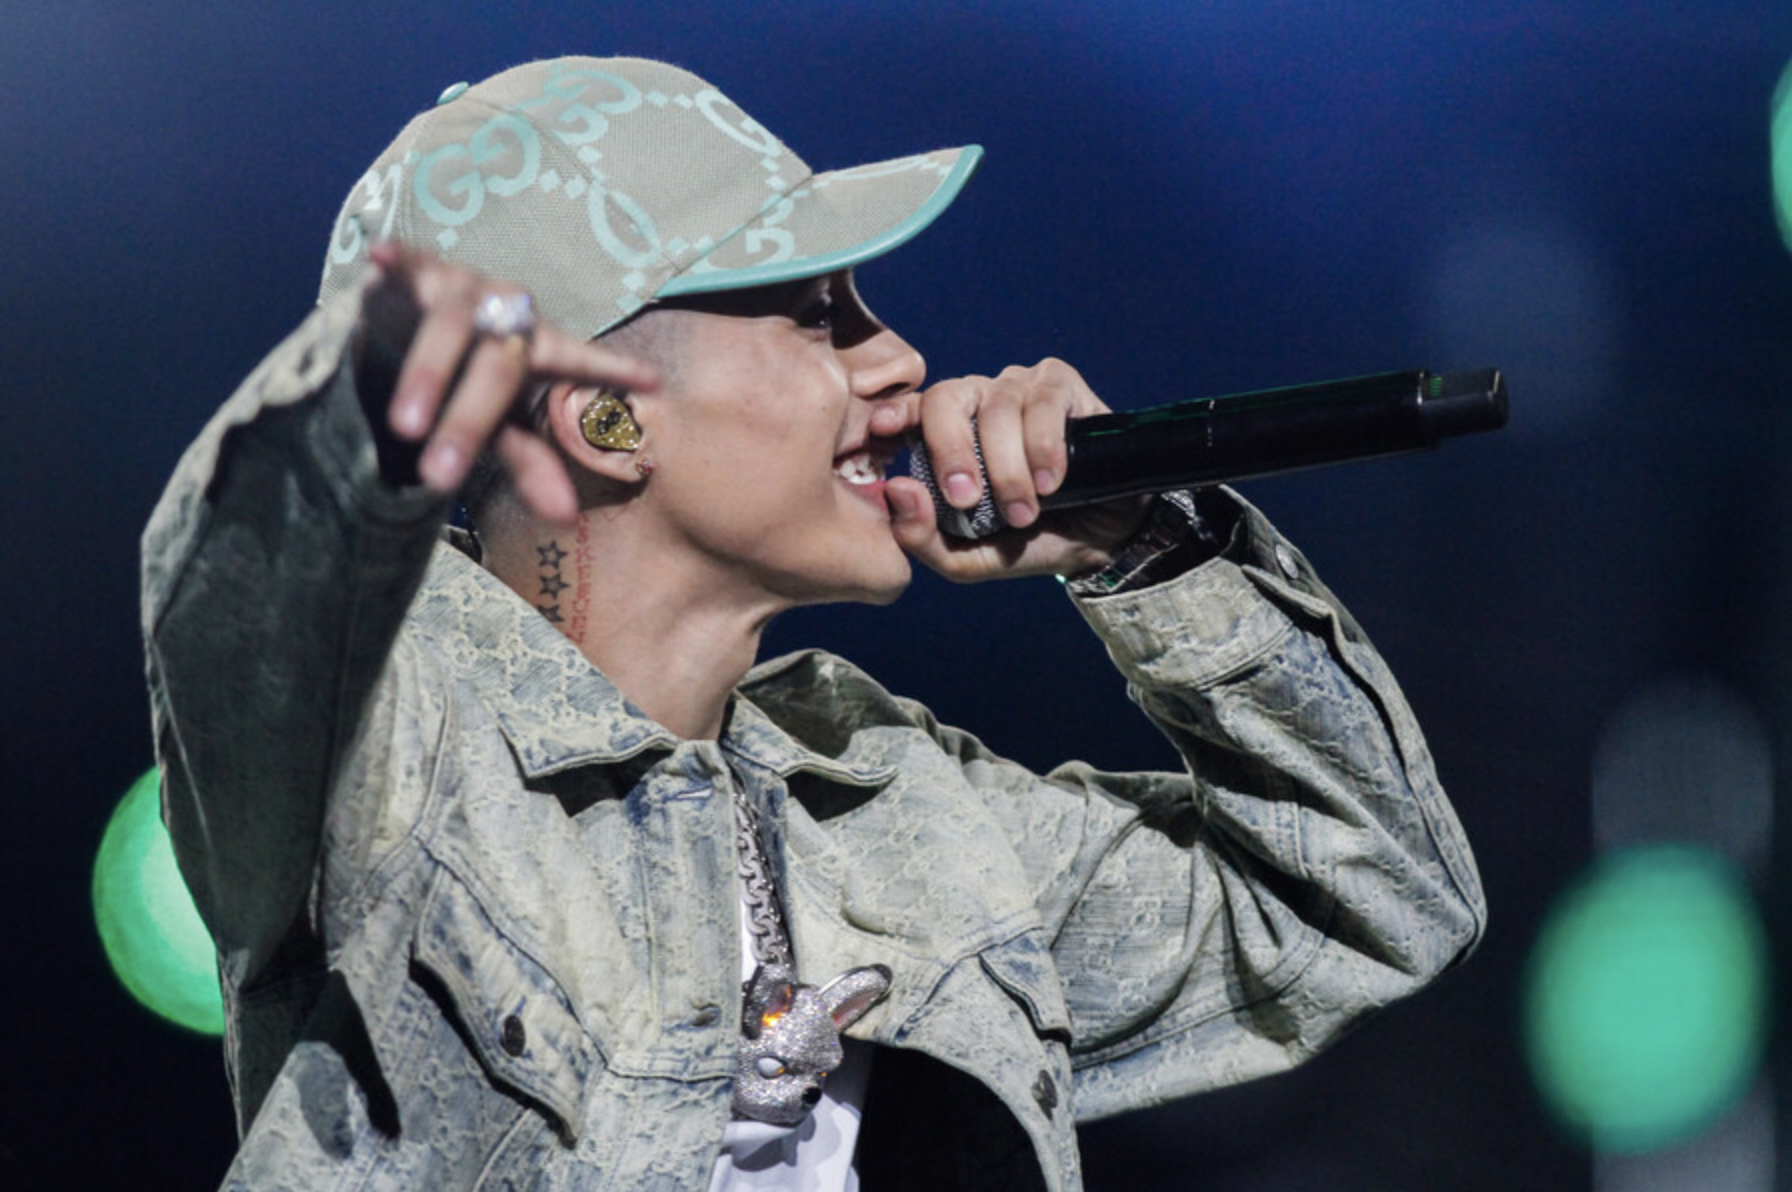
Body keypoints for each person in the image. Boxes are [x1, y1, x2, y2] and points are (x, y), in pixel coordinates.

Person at [142, 56, 1485, 1191]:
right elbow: (241, 599)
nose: (898, 360)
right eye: (815, 316)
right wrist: (368, 388)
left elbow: (1373, 900)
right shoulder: (392, 743)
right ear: (604, 415)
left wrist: (1148, 549)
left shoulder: (898, 812)